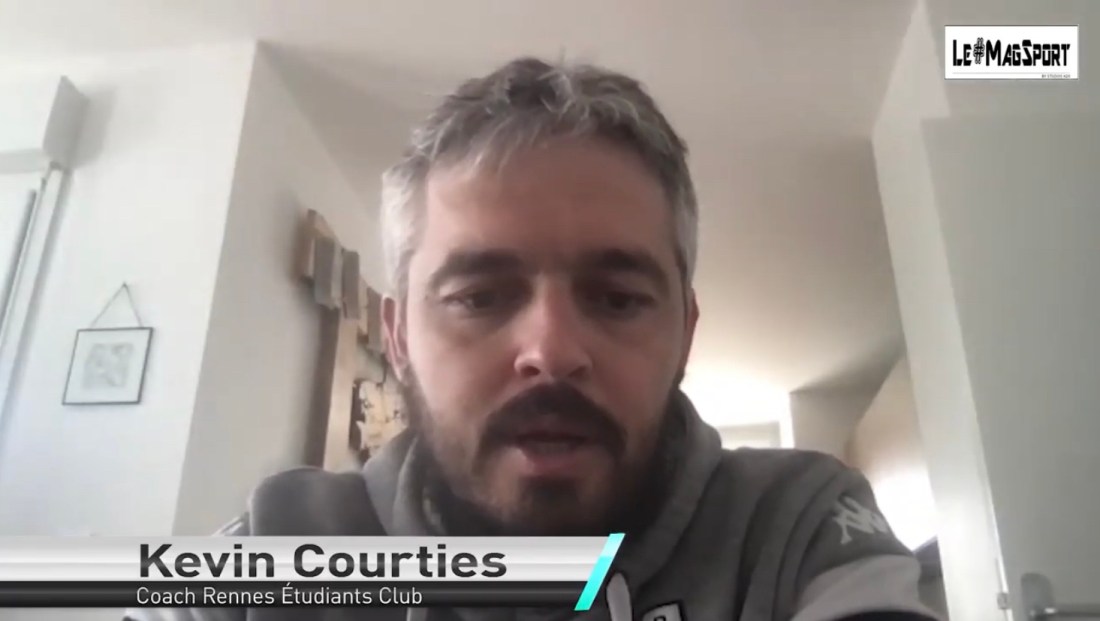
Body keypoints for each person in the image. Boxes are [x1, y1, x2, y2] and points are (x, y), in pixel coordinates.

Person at [126, 58, 940, 621]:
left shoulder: (794, 527)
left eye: (617, 298)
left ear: (685, 332)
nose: (551, 350)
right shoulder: (284, 546)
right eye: (480, 297)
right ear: (399, 336)